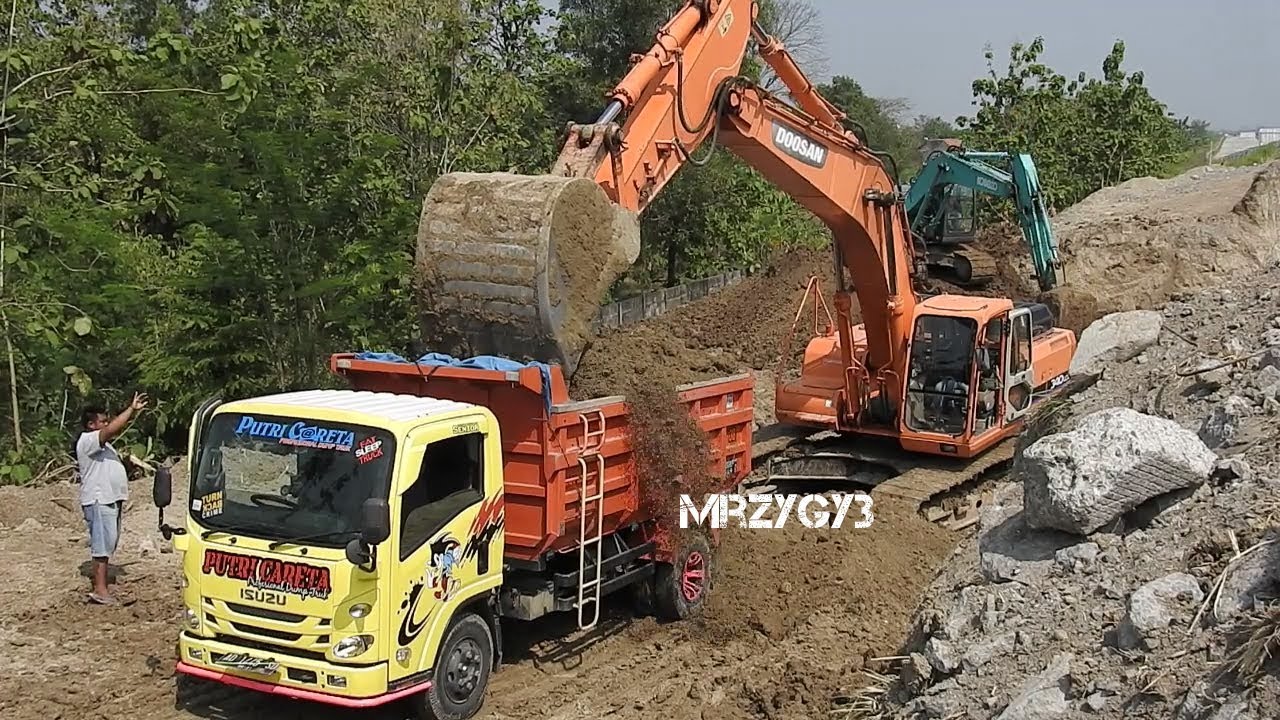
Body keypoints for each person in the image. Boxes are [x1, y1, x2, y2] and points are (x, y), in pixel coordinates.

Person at [77, 392, 148, 605]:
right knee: (101, 544)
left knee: (108, 543)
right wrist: (131, 409)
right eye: (102, 421)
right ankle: (100, 589)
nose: (106, 424)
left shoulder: (104, 445)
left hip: (109, 498)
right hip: (99, 499)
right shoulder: (88, 440)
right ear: (91, 424)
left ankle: (102, 585)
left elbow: (114, 430)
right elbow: (112, 429)